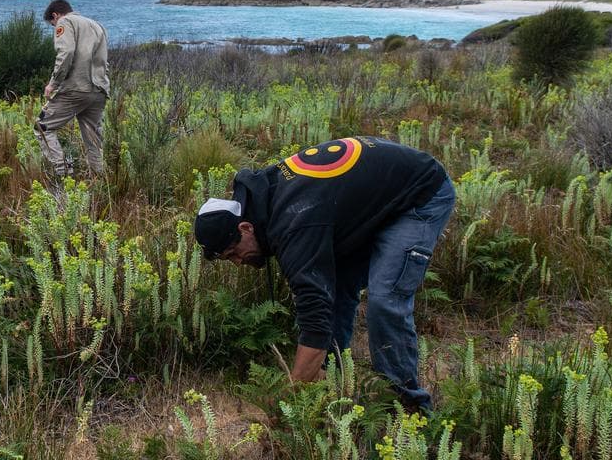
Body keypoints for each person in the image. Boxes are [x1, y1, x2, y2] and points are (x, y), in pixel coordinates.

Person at [193, 136, 454, 412]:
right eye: (227, 259)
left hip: (421, 194)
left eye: (233, 252)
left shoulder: (293, 225)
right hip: (377, 199)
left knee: (385, 300)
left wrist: (293, 395)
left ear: (245, 228)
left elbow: (314, 316)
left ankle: (407, 407)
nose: (237, 262)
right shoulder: (265, 202)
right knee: (338, 287)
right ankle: (328, 387)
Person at [35, 0, 109, 179]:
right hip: (99, 90)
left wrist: (53, 83)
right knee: (93, 138)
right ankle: (99, 180)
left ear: (55, 15)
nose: (55, 27)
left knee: (42, 128)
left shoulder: (64, 22)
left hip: (76, 88)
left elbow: (66, 52)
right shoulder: (97, 25)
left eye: (53, 24)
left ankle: (62, 174)